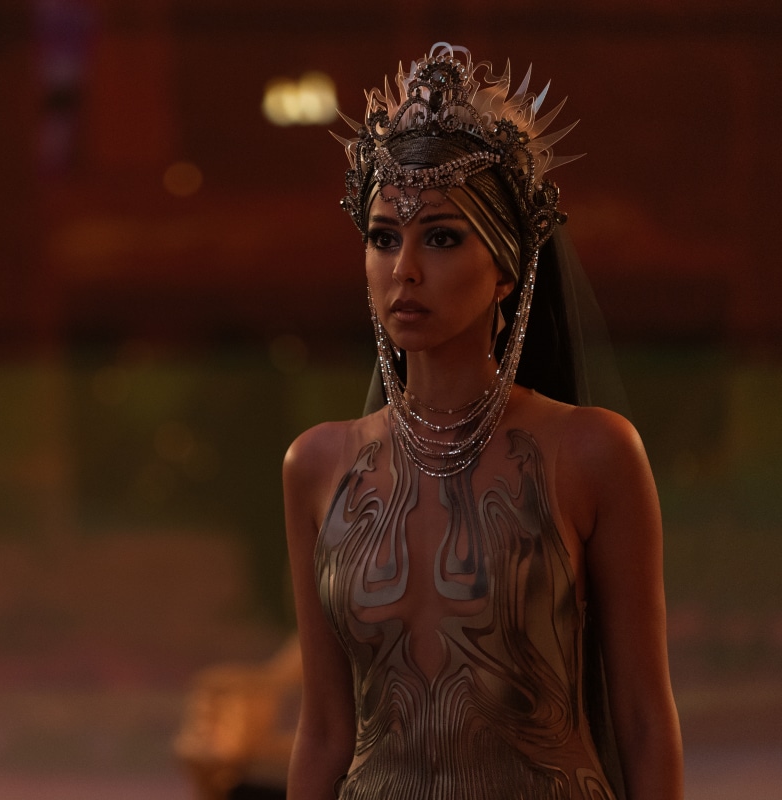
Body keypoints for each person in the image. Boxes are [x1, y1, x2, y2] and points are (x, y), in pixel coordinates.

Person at [283, 43, 683, 799]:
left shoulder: (592, 452)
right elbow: (327, 730)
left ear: (506, 266)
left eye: (441, 236)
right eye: (383, 237)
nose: (403, 270)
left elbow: (643, 722)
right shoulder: (317, 466)